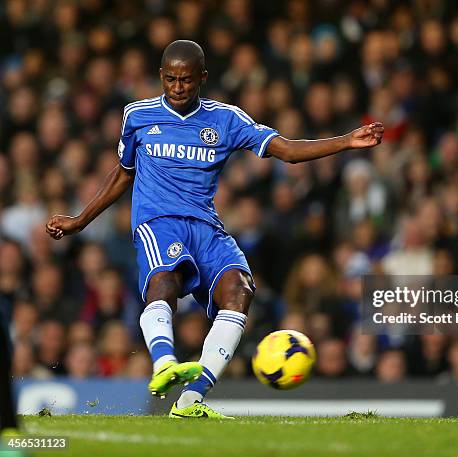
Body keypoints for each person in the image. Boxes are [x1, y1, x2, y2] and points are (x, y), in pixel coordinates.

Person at [46, 40, 384, 419]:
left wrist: (346, 141)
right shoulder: (137, 116)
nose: (178, 87)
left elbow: (286, 150)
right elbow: (124, 174)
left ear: (203, 78)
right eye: (170, 79)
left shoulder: (226, 120)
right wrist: (80, 220)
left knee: (240, 290)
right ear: (161, 76)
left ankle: (192, 399)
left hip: (206, 226)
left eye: (186, 80)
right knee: (164, 280)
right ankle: (163, 364)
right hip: (159, 221)